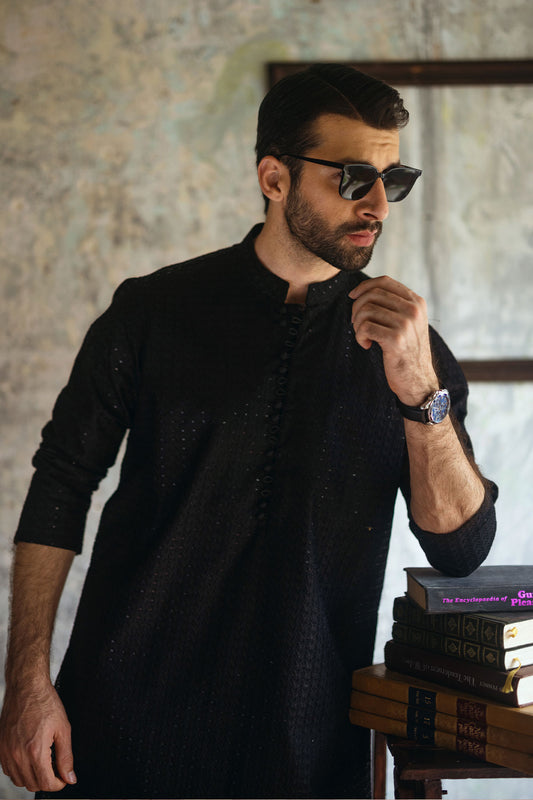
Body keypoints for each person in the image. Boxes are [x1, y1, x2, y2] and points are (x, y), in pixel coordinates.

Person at [0, 63, 497, 799]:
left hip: (305, 744)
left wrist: (421, 392)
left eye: (391, 181)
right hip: (121, 727)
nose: (377, 206)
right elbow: (60, 486)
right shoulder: (153, 312)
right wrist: (26, 682)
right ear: (274, 178)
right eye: (353, 179)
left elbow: (460, 549)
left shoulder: (411, 349)